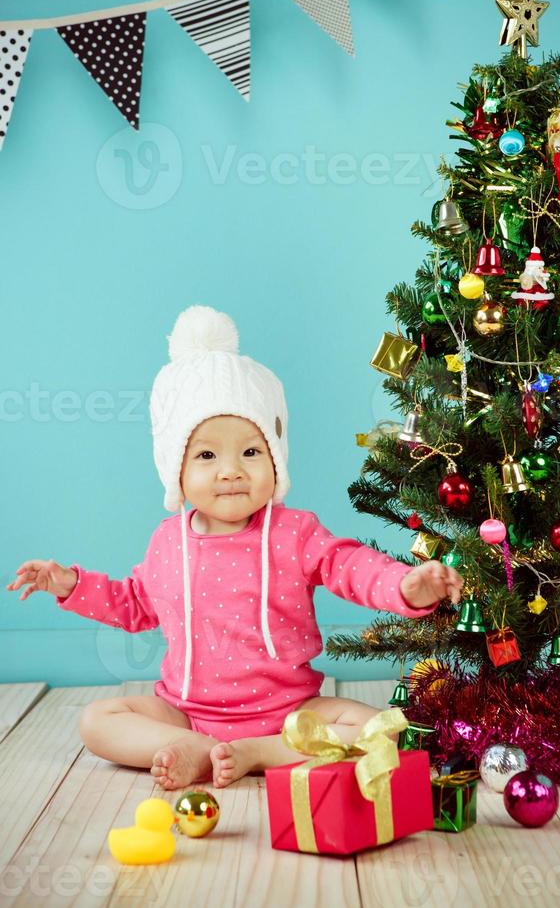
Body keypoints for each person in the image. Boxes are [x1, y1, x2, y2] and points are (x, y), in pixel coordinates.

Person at [8, 305, 462, 791]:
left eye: (250, 451)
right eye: (206, 455)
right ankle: (204, 751)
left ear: (275, 459)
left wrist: (406, 585)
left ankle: (256, 753)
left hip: (291, 713)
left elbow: (349, 566)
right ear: (176, 470)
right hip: (183, 714)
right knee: (97, 719)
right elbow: (136, 604)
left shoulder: (294, 532)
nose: (231, 470)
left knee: (380, 731)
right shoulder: (169, 541)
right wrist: (69, 584)